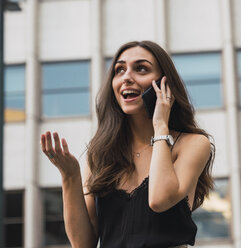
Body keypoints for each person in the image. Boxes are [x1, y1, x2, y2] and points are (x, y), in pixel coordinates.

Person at [40, 40, 215, 248]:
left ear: (164, 83)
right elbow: (83, 243)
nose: (127, 78)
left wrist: (160, 126)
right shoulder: (100, 155)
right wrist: (70, 177)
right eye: (119, 70)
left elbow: (159, 200)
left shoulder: (192, 144)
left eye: (141, 69)